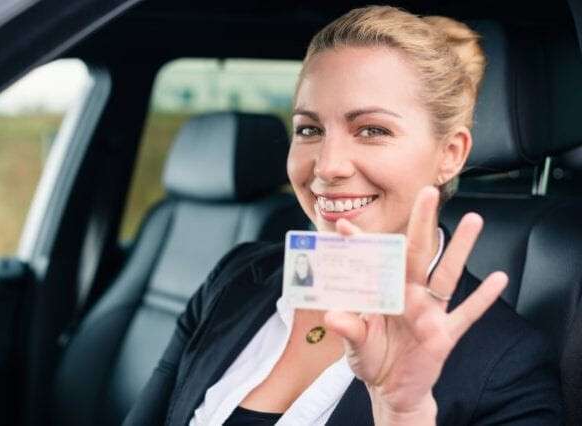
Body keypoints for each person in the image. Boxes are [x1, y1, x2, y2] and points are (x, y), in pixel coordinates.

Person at [123, 5, 563, 425]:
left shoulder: (508, 365)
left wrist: (402, 416)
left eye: (372, 130)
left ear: (449, 154)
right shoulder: (236, 279)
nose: (327, 165)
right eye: (310, 130)